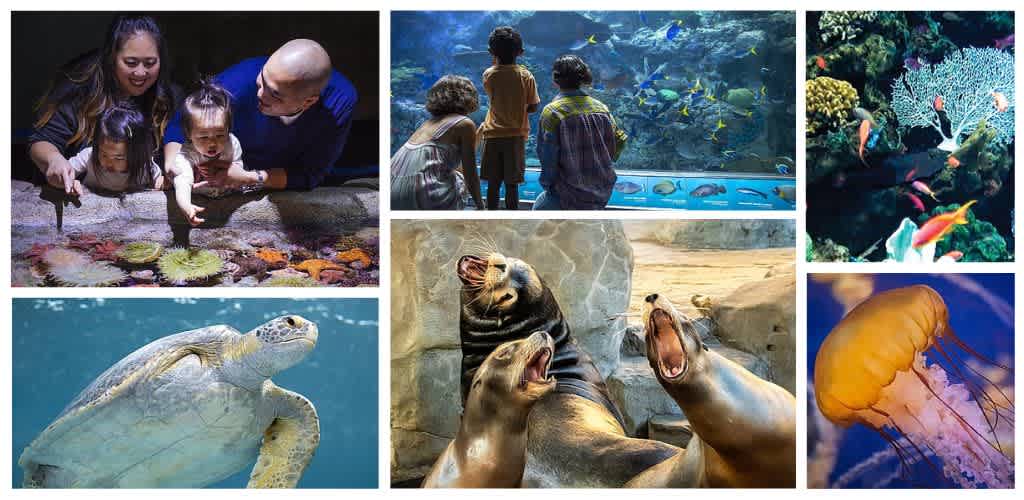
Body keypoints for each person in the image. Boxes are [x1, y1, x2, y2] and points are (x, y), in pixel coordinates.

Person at [163, 39, 357, 192]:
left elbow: (310, 174)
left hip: (275, 181)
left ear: (308, 102)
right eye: (262, 79)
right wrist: (175, 167)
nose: (260, 94)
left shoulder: (338, 102)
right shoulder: (239, 80)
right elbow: (178, 126)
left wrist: (250, 177)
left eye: (275, 94)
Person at [29, 15, 176, 195]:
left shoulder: (169, 98)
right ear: (112, 58)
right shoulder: (79, 87)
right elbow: (41, 140)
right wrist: (54, 160)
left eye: (150, 63)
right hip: (79, 197)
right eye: (130, 63)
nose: (140, 72)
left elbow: (178, 142)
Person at [533, 55, 627, 210]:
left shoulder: (553, 112)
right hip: (602, 192)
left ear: (555, 80)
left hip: (567, 193)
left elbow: (547, 157)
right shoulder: (602, 108)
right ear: (583, 78)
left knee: (538, 214)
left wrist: (548, 185)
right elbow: (619, 141)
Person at [391, 75, 483, 210]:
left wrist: (477, 138)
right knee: (459, 177)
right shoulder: (464, 123)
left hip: (391, 195)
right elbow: (470, 173)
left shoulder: (426, 124)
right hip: (424, 197)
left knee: (453, 172)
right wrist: (481, 206)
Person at [478, 26, 540, 210]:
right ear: (520, 52)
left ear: (491, 52)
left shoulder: (489, 75)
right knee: (511, 184)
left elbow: (494, 97)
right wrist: (521, 110)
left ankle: (491, 215)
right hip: (515, 136)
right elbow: (534, 106)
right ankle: (512, 215)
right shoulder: (526, 76)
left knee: (493, 184)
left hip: (492, 135)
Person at [166, 80, 244, 226]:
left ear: (228, 129)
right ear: (189, 134)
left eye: (220, 135)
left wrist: (229, 175)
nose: (212, 143)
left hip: (225, 196)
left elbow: (238, 170)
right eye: (203, 137)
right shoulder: (187, 153)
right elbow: (182, 180)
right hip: (197, 197)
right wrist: (186, 206)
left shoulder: (232, 143)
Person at [45, 102, 164, 194]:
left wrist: (164, 183)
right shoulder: (89, 156)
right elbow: (62, 174)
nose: (108, 162)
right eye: (103, 154)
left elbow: (159, 182)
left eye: (119, 158)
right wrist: (68, 183)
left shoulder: (145, 166)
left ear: (137, 153)